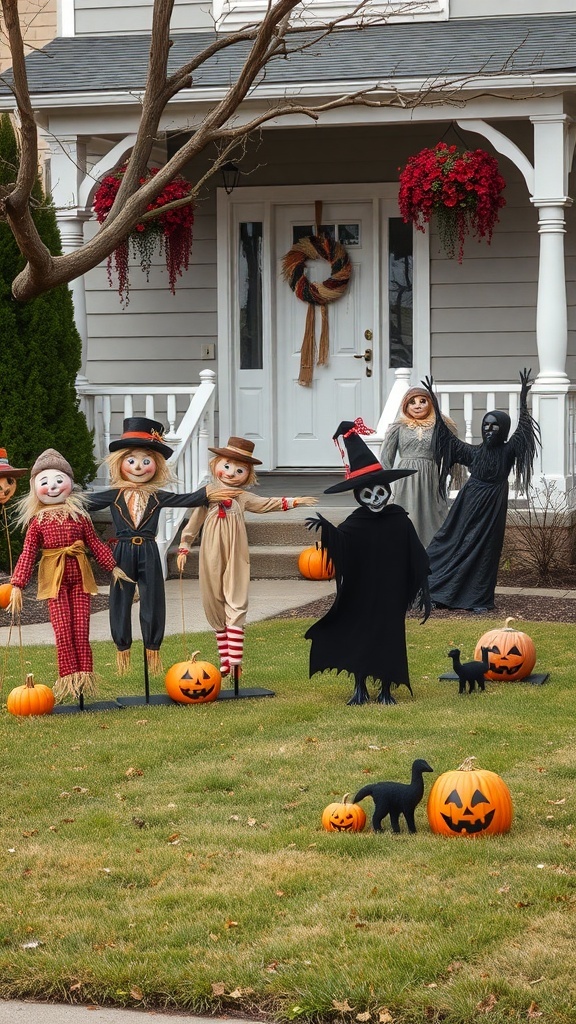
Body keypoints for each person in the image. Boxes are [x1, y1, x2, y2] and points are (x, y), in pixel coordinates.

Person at [86, 417, 228, 675]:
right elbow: (86, 503)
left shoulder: (157, 495)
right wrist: (58, 498)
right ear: (120, 464)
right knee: (120, 598)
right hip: (122, 551)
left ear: (156, 465)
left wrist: (212, 492)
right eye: (131, 460)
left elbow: (186, 499)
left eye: (145, 461)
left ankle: (152, 647)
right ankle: (122, 646)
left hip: (149, 550)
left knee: (153, 597)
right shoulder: (114, 494)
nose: (138, 467)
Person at [304, 420, 430, 706]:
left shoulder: (398, 519)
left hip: (391, 593)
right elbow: (342, 544)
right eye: (368, 495)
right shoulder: (355, 523)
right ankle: (359, 686)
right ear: (358, 496)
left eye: (379, 493)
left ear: (387, 490)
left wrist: (422, 574)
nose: (375, 499)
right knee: (359, 634)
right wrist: (327, 530)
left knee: (389, 636)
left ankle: (386, 688)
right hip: (361, 592)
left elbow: (416, 552)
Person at [176, 436, 316, 677]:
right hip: (211, 551)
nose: (231, 473)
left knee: (236, 596)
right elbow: (194, 522)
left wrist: (293, 502)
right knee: (213, 597)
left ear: (247, 474)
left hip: (235, 551)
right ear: (216, 465)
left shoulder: (242, 497)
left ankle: (236, 662)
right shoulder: (207, 494)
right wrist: (184, 545)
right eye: (227, 466)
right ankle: (224, 659)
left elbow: (265, 503)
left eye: (239, 470)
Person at [10, 449, 126, 699]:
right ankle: (69, 679)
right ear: (35, 488)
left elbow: (94, 543)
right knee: (63, 630)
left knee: (81, 629)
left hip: (81, 579)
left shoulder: (80, 516)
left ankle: (84, 678)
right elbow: (28, 553)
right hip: (55, 581)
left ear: (70, 483)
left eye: (58, 480)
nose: (52, 486)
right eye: (44, 482)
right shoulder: (38, 522)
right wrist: (17, 583)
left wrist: (113, 566)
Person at [422, 370, 540, 612]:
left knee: (486, 549)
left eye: (495, 426)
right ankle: (437, 591)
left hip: (494, 504)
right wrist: (433, 402)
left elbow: (524, 430)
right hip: (469, 503)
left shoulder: (509, 451)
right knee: (453, 541)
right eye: (486, 425)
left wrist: (523, 399)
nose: (489, 430)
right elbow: (447, 439)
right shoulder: (474, 452)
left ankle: (477, 599)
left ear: (503, 430)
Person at [380, 387, 461, 548]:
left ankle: (433, 551)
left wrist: (454, 474)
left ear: (430, 403)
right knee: (407, 511)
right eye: (412, 402)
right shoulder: (399, 427)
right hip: (406, 477)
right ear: (405, 406)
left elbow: (453, 448)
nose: (417, 405)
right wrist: (382, 482)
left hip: (430, 475)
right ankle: (405, 549)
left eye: (422, 401)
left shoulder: (439, 426)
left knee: (432, 513)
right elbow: (386, 457)